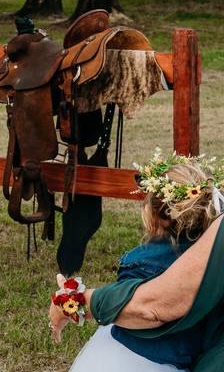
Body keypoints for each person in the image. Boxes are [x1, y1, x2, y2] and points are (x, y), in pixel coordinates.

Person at [50, 154, 224, 371]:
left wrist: (72, 300)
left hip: (136, 360)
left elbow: (142, 310)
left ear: (151, 214)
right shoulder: (214, 258)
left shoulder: (141, 261)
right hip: (184, 358)